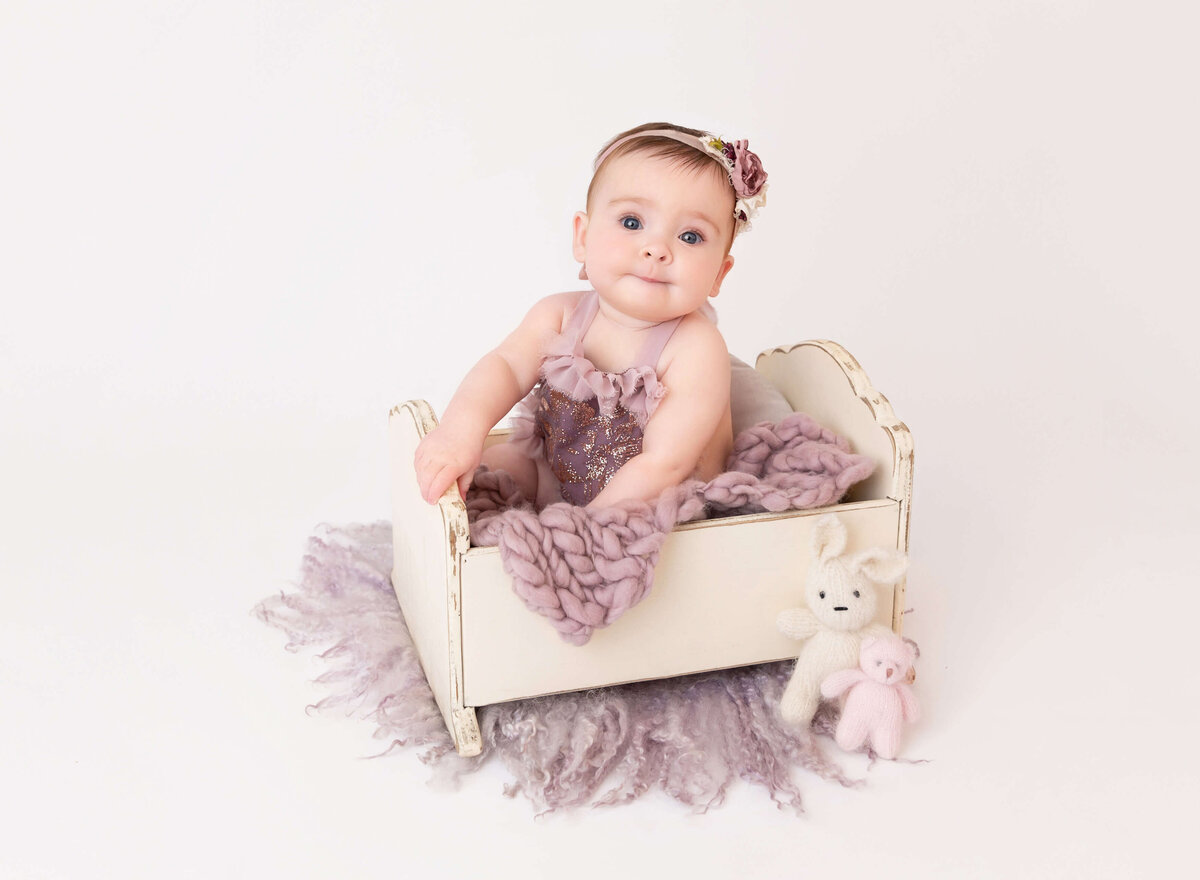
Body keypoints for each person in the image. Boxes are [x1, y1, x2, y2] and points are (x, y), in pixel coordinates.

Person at [414, 122, 768, 509]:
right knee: (485, 469)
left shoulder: (696, 348)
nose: (656, 249)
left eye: (690, 237)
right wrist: (461, 431)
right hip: (558, 480)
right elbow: (505, 367)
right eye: (632, 223)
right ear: (582, 237)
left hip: (654, 506)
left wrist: (585, 528)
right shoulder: (560, 315)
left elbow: (665, 464)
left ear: (719, 273)